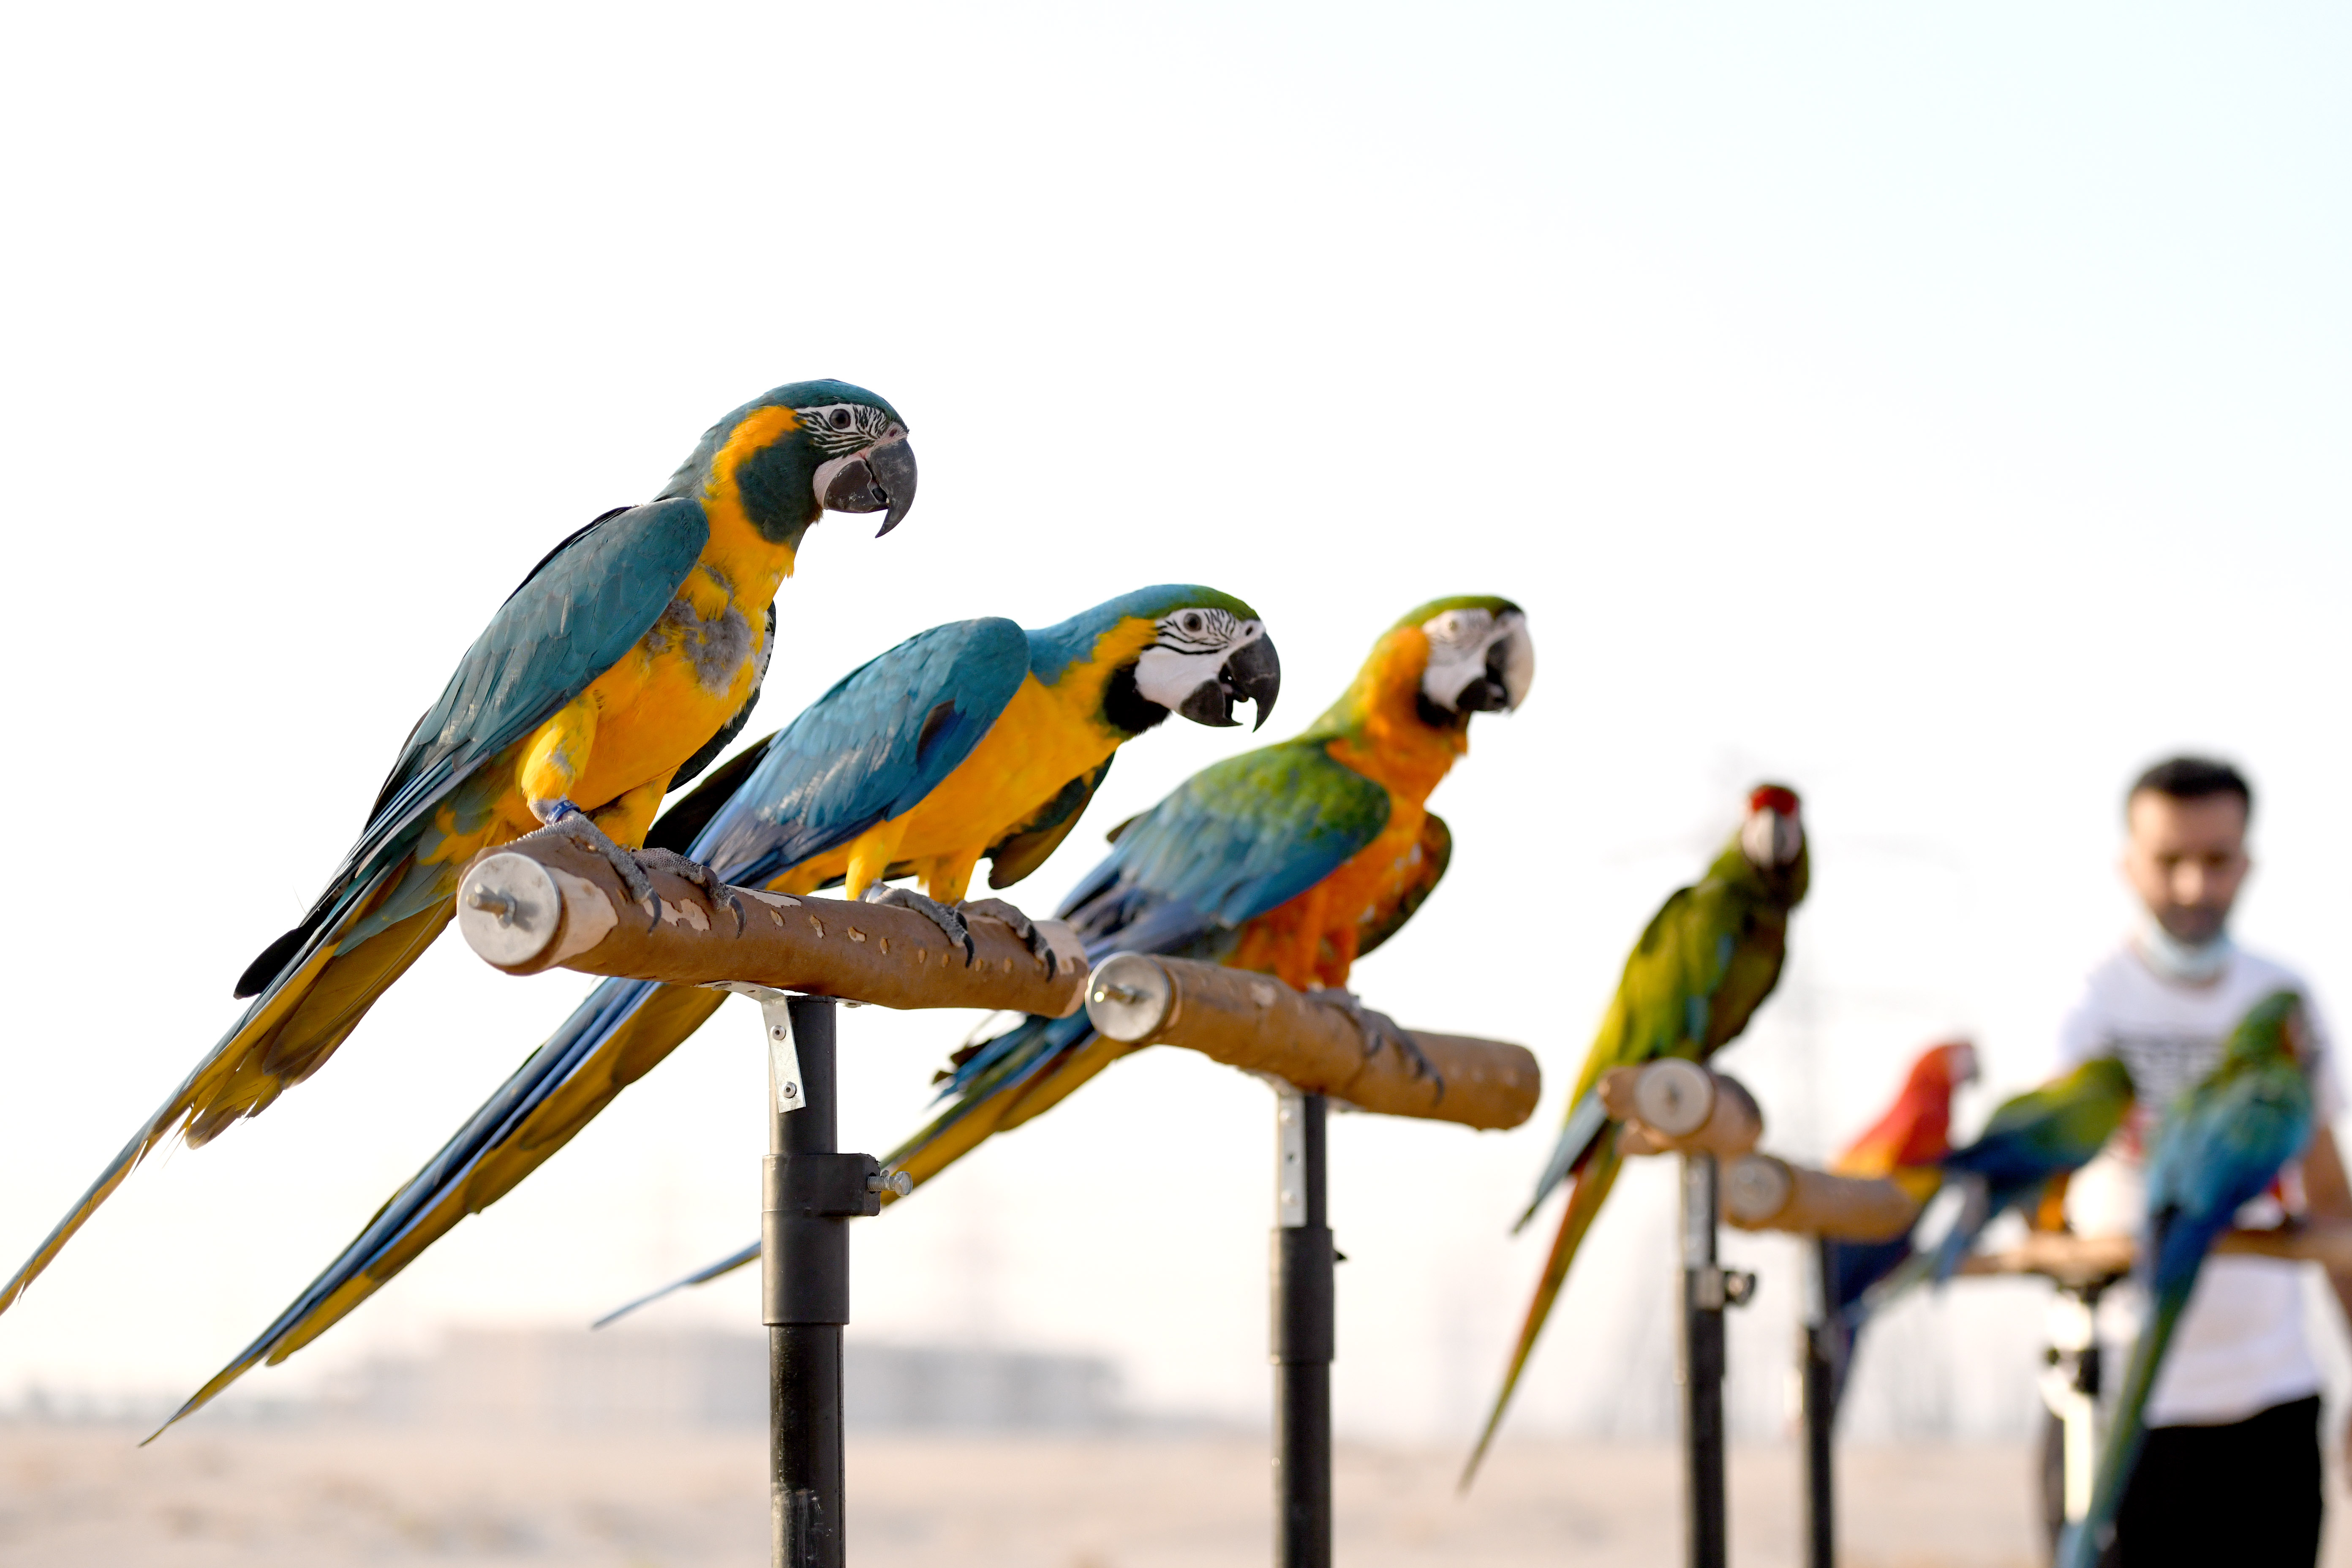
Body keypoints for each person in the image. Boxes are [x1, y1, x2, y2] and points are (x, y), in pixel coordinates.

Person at [2052, 757, 2350, 1567]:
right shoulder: (2090, 999)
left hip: (2272, 1402)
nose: (2193, 885)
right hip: (2116, 1389)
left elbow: (2332, 1199)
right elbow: (2051, 1181)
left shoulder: (2286, 999)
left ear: (2247, 862)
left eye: (2217, 860)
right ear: (2128, 865)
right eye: (2169, 861)